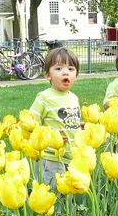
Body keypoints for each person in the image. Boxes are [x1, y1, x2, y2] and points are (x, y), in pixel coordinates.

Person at [30, 47, 82, 190]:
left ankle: (69, 213)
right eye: (59, 68)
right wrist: (50, 135)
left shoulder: (74, 98)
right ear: (48, 75)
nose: (66, 72)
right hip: (50, 156)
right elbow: (30, 124)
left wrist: (80, 126)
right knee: (53, 193)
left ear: (76, 76)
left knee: (69, 194)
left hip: (71, 155)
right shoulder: (44, 97)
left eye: (71, 69)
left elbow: (71, 122)